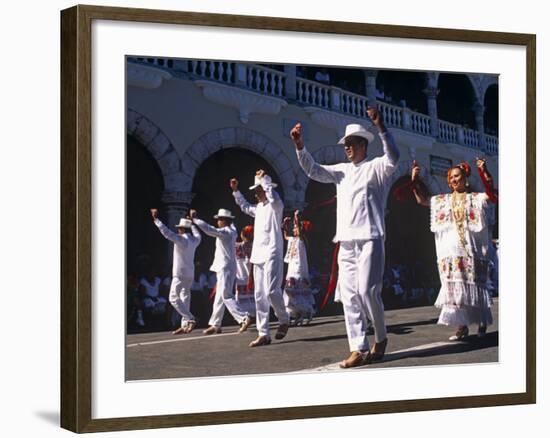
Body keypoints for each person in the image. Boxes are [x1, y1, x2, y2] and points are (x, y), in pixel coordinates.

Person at [290, 106, 400, 368]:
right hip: (346, 240)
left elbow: (394, 157)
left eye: (351, 144)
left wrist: (381, 127)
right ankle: (358, 348)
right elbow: (313, 170)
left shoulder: (377, 168)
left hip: (371, 238)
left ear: (363, 144)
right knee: (350, 295)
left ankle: (381, 337)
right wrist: (299, 146)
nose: (347, 148)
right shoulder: (341, 170)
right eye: (345, 145)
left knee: (367, 292)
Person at [410, 158, 497, 340]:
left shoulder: (476, 198)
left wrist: (484, 171)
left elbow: (492, 195)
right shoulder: (443, 201)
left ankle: (481, 322)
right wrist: (415, 180)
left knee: (476, 286)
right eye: (451, 178)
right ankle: (462, 326)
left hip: (472, 251)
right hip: (451, 252)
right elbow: (422, 200)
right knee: (457, 289)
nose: (454, 180)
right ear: (449, 182)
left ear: (465, 178)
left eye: (458, 176)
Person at [231, 170, 290, 347]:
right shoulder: (259, 209)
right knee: (259, 295)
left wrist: (264, 180)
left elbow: (272, 197)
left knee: (272, 291)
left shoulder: (276, 206)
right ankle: (263, 333)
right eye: (255, 190)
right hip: (258, 254)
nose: (256, 193)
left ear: (266, 189)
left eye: (259, 190)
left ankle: (284, 319)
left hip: (273, 251)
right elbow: (245, 206)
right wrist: (236, 191)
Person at [190, 208, 253, 335]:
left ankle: (243, 317)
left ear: (224, 221)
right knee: (219, 297)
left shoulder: (226, 232)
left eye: (219, 219)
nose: (217, 221)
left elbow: (209, 230)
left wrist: (195, 220)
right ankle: (215, 324)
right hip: (224, 267)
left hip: (225, 267)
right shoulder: (232, 230)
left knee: (226, 295)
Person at [151, 209, 201, 334]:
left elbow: (167, 233)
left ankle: (190, 318)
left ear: (182, 229)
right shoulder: (195, 240)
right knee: (185, 298)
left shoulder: (181, 240)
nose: (178, 230)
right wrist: (192, 223)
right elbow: (198, 235)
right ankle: (185, 325)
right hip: (190, 273)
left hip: (180, 274)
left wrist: (156, 220)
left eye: (179, 228)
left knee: (173, 298)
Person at [283, 210, 315, 325]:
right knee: (291, 291)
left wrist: (296, 217)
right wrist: (285, 225)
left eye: (295, 228)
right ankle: (296, 313)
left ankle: (305, 313)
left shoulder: (301, 240)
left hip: (299, 269)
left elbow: (299, 230)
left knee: (299, 290)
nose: (293, 229)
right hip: (291, 268)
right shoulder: (293, 239)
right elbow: (286, 236)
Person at [235, 225, 256, 316]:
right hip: (252, 276)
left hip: (242, 275)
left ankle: (246, 317)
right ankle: (252, 316)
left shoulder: (236, 246)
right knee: (252, 298)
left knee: (242, 300)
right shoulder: (256, 246)